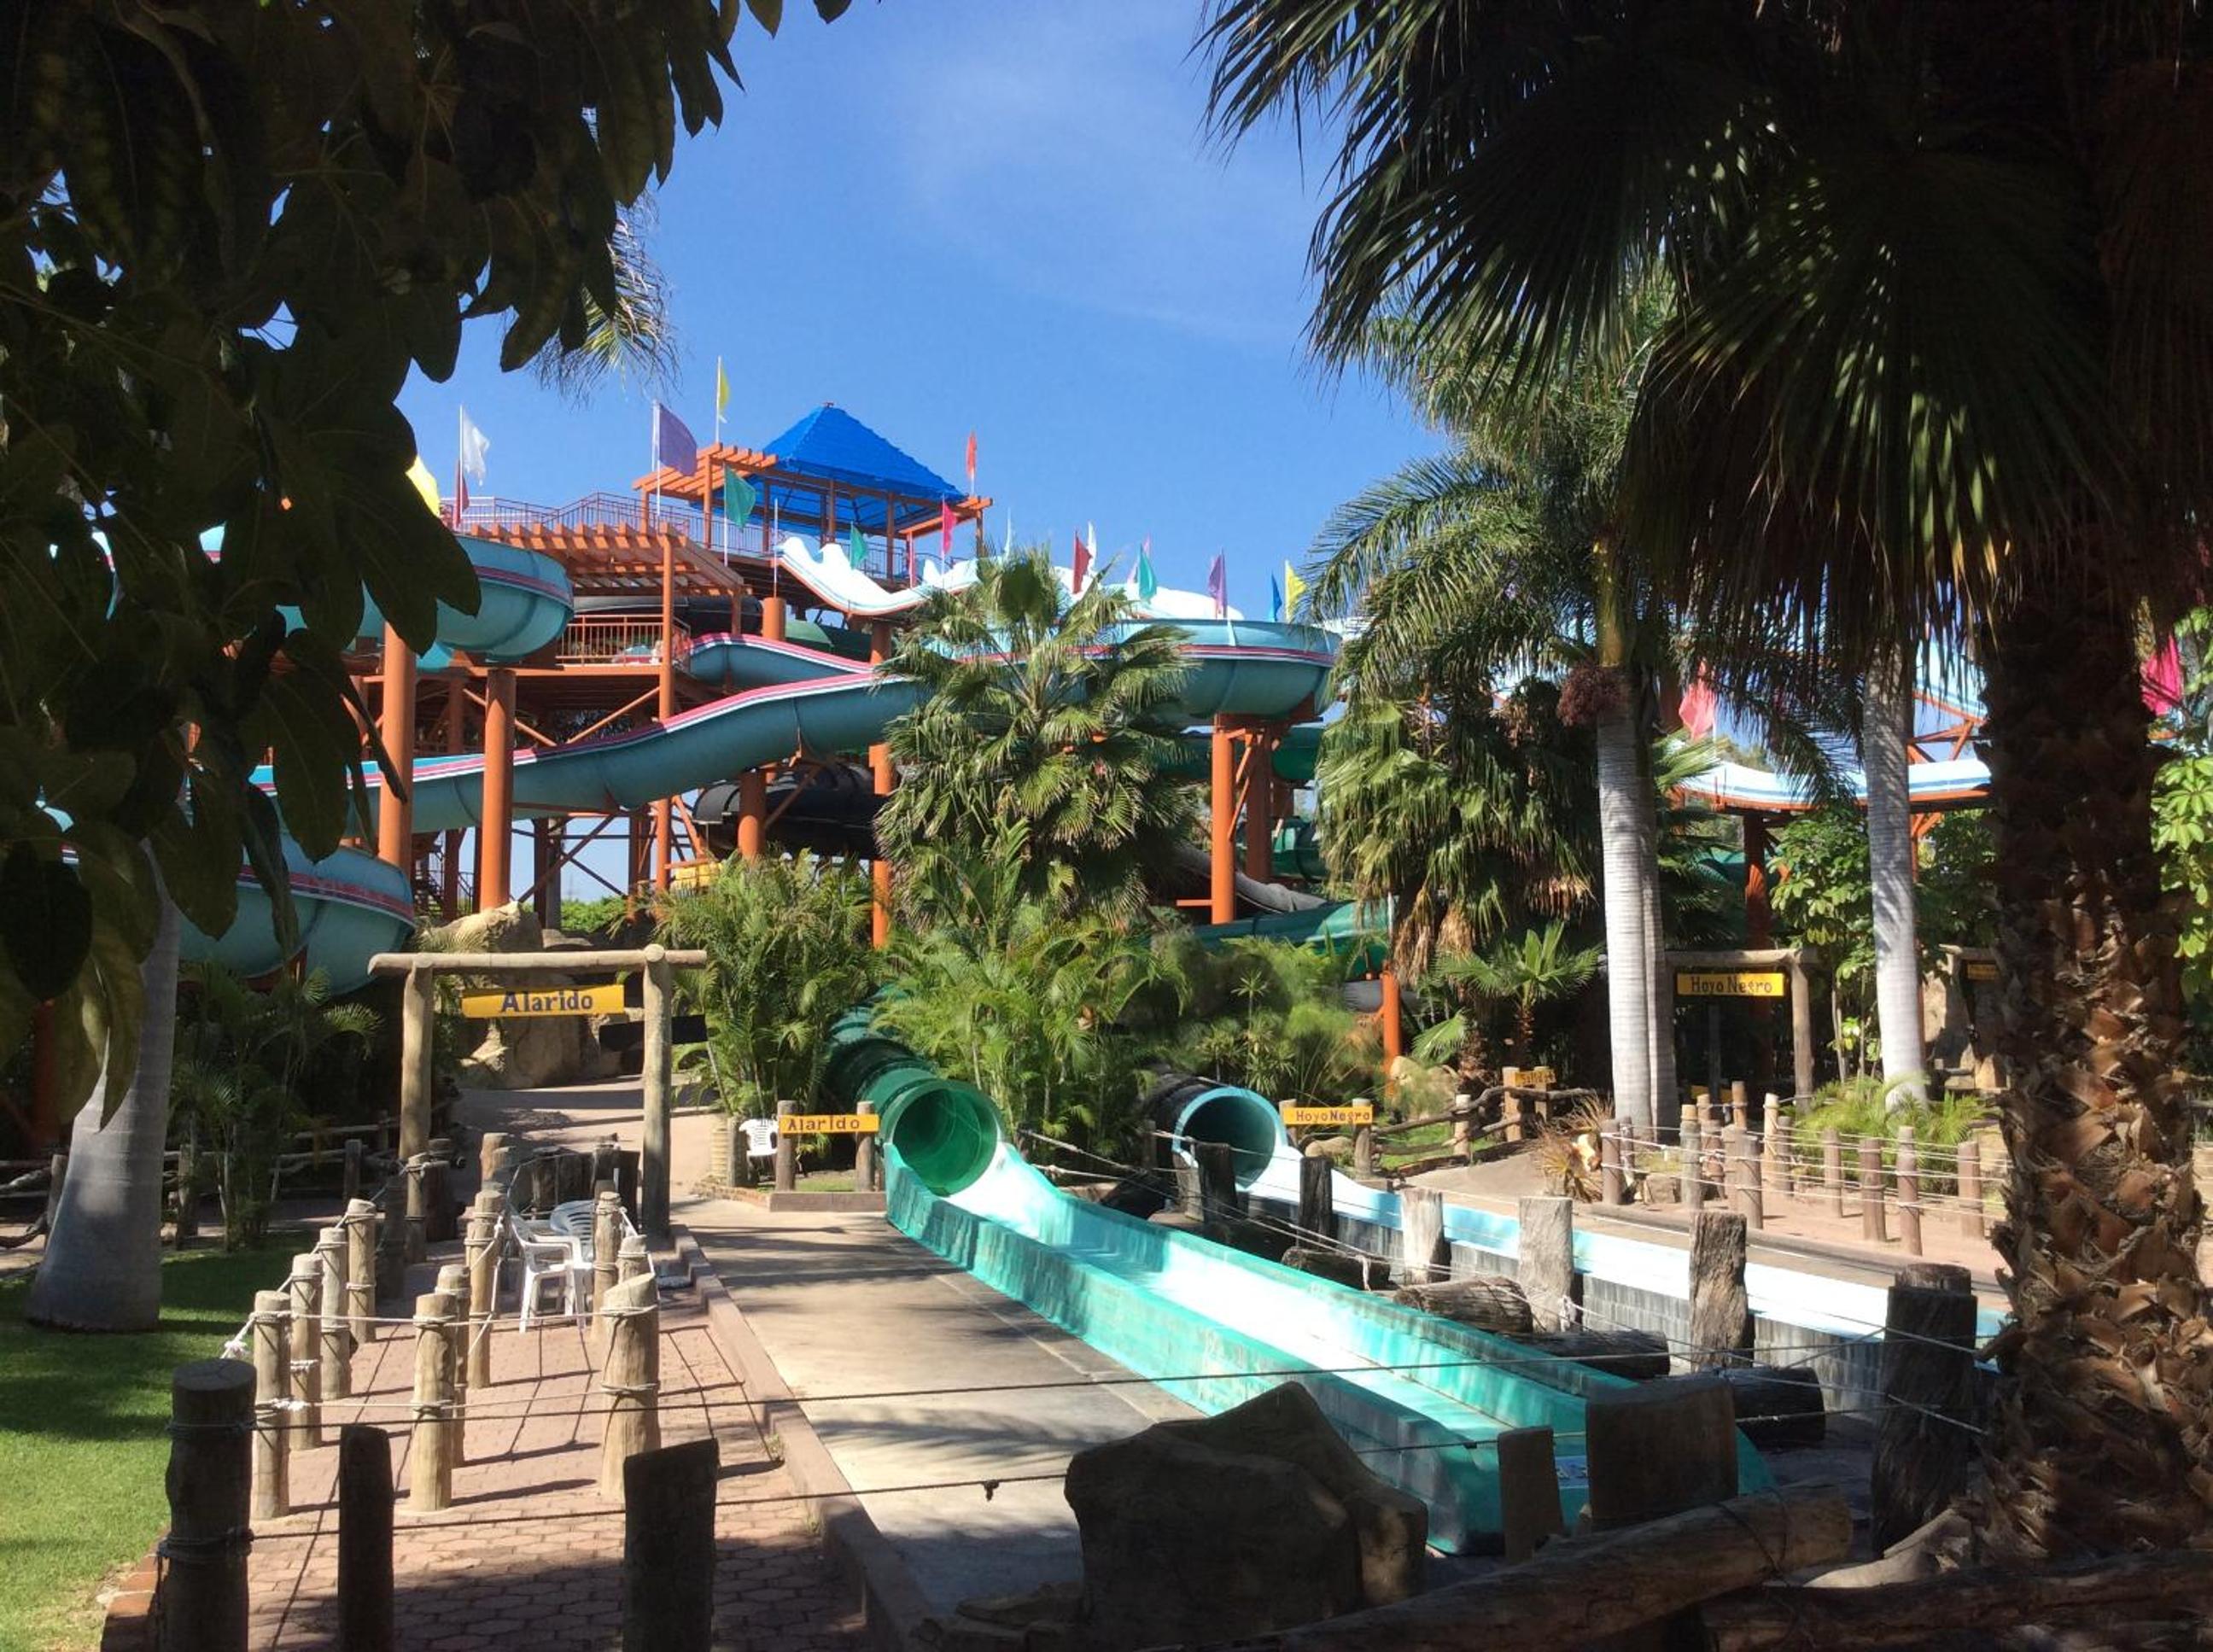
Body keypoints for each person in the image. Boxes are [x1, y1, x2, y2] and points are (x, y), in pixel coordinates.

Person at [738, 1114, 778, 1187]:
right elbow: (779, 1129)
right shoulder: (771, 1122)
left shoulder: (749, 1123)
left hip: (754, 1150)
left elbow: (740, 1129)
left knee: (745, 1155)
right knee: (776, 1151)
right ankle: (773, 1174)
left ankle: (753, 1178)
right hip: (768, 1150)